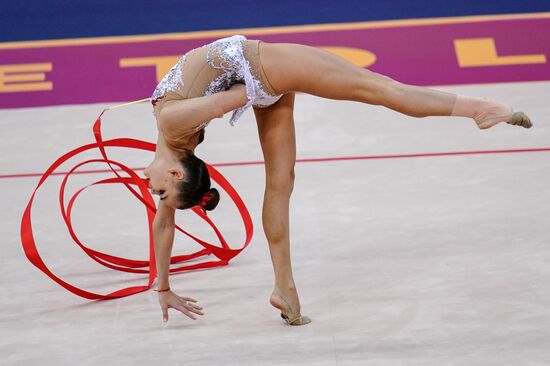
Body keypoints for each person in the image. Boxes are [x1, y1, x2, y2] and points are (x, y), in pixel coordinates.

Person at [142, 35, 532, 325]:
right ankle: (480, 110)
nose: (152, 192)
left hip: (256, 76)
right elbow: (228, 100)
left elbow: (166, 215)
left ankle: (286, 288)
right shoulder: (171, 132)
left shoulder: (174, 134)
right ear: (178, 173)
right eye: (161, 190)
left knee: (283, 180)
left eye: (158, 192)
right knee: (378, 89)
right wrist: (163, 286)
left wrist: (257, 87)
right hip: (261, 69)